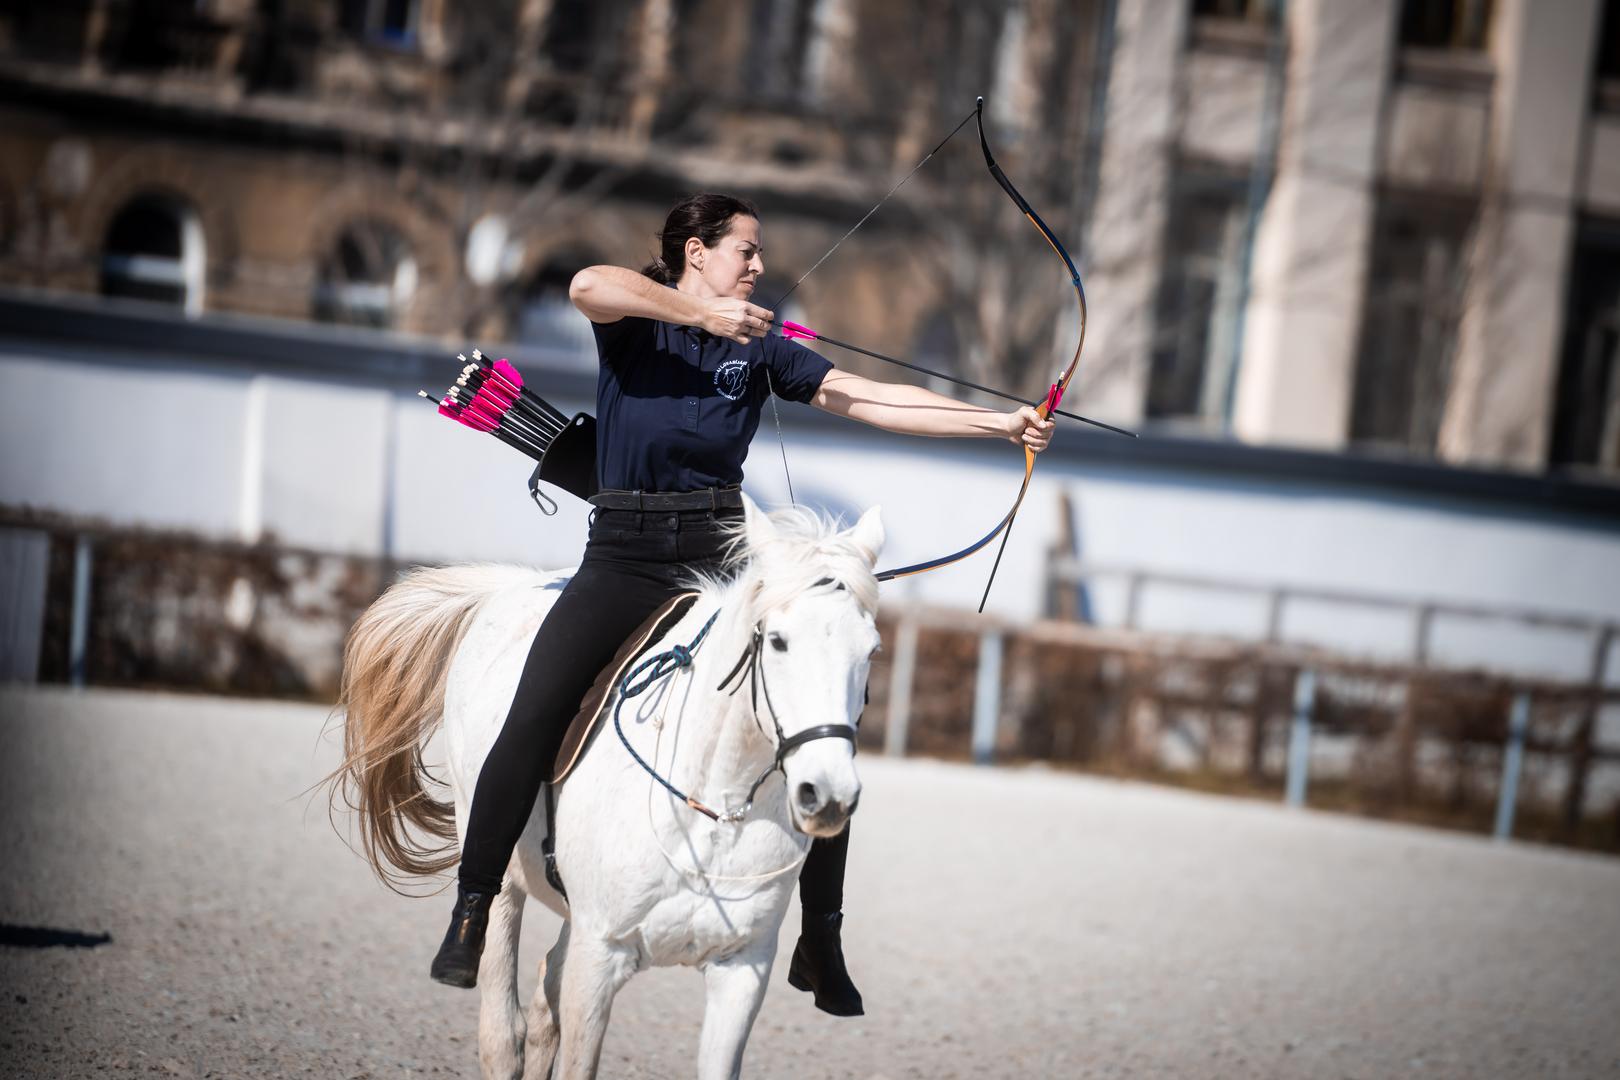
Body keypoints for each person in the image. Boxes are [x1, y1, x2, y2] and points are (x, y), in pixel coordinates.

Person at [431, 192, 1054, 1015]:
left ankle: (820, 940)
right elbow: (587, 284)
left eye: (759, 253)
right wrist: (702, 314)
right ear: (696, 251)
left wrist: (997, 424)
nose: (759, 265)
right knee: (534, 710)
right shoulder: (636, 321)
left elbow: (863, 396)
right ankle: (473, 906)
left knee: (819, 723)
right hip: (624, 554)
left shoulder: (762, 345)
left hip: (723, 552)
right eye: (745, 250)